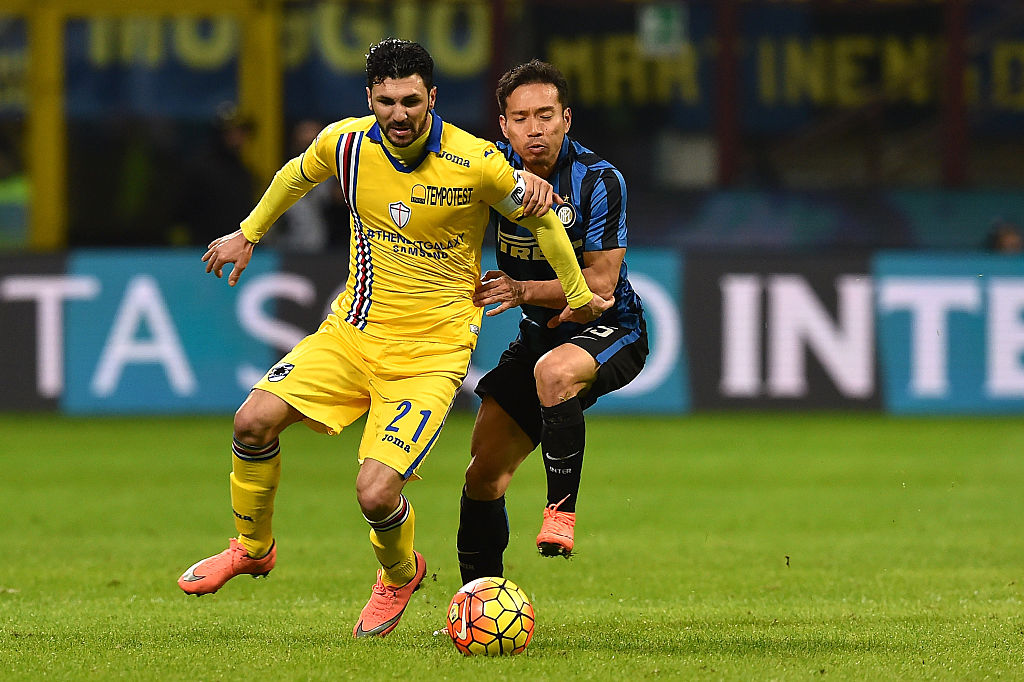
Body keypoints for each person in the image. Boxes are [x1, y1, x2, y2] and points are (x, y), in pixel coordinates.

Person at [176, 39, 610, 639]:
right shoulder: (346, 143)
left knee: (375, 493)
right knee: (251, 422)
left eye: (411, 100)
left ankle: (400, 574)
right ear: (369, 99)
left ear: (432, 97)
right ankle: (252, 548)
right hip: (352, 334)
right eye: (386, 101)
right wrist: (247, 234)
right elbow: (294, 175)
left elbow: (542, 220)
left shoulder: (476, 161)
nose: (398, 114)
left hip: (431, 356)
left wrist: (577, 294)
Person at [457, 60, 648, 584]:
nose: (534, 129)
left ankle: (560, 512)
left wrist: (521, 290)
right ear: (503, 125)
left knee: (554, 373)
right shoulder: (489, 168)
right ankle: (475, 599)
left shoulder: (600, 180)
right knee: (482, 475)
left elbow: (600, 284)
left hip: (612, 329)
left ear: (567, 119)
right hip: (540, 333)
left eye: (545, 115)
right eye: (521, 118)